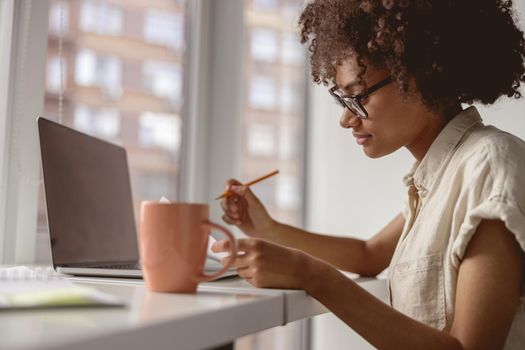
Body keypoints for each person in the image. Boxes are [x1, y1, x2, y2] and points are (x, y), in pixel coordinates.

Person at [212, 0, 525, 348]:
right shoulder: (439, 177)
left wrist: (314, 276)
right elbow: (368, 254)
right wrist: (267, 229)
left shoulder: (490, 165)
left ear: (418, 77)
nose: (346, 119)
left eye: (357, 97)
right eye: (342, 101)